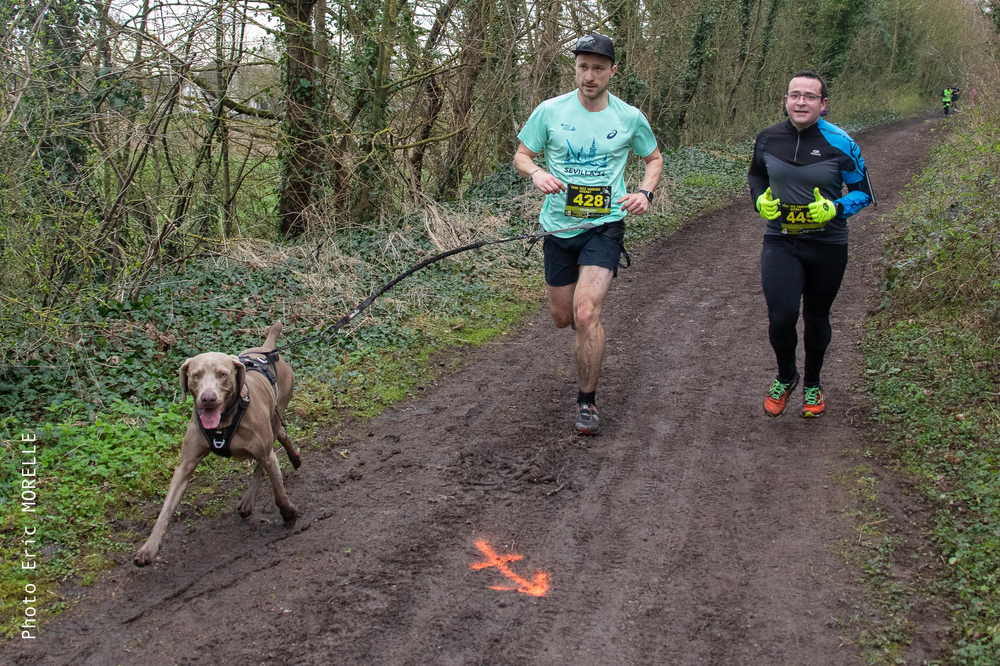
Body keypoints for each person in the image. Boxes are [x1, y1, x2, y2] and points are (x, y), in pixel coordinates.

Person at [513, 33, 663, 435]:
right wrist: (538, 172)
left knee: (585, 313)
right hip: (559, 228)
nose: (590, 75)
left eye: (599, 68)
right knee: (563, 318)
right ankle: (583, 345)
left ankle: (587, 403)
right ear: (575, 68)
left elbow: (653, 158)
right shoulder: (550, 111)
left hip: (605, 226)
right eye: (583, 66)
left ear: (613, 71)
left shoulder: (629, 117)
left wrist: (645, 193)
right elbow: (522, 155)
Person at [748, 70, 874, 418]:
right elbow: (757, 174)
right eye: (794, 95)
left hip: (828, 243)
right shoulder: (768, 138)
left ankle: (814, 383)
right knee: (782, 315)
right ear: (786, 100)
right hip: (781, 239)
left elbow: (864, 193)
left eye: (809, 96)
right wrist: (760, 201)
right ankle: (786, 375)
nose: (801, 101)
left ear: (824, 104)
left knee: (817, 317)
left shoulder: (841, 143)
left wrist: (835, 208)